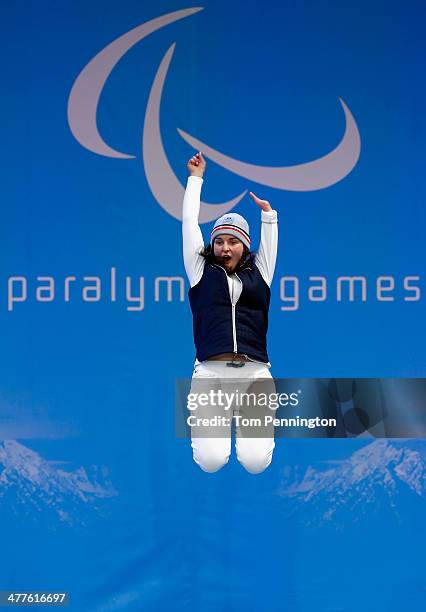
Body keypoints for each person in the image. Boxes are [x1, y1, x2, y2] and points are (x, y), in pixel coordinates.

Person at [182, 151, 278, 474]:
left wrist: (268, 216)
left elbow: (270, 243)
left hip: (255, 375)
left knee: (254, 461)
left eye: (233, 242)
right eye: (219, 241)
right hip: (210, 374)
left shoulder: (260, 274)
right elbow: (189, 224)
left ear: (245, 246)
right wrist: (195, 179)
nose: (225, 248)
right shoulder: (200, 271)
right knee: (211, 461)